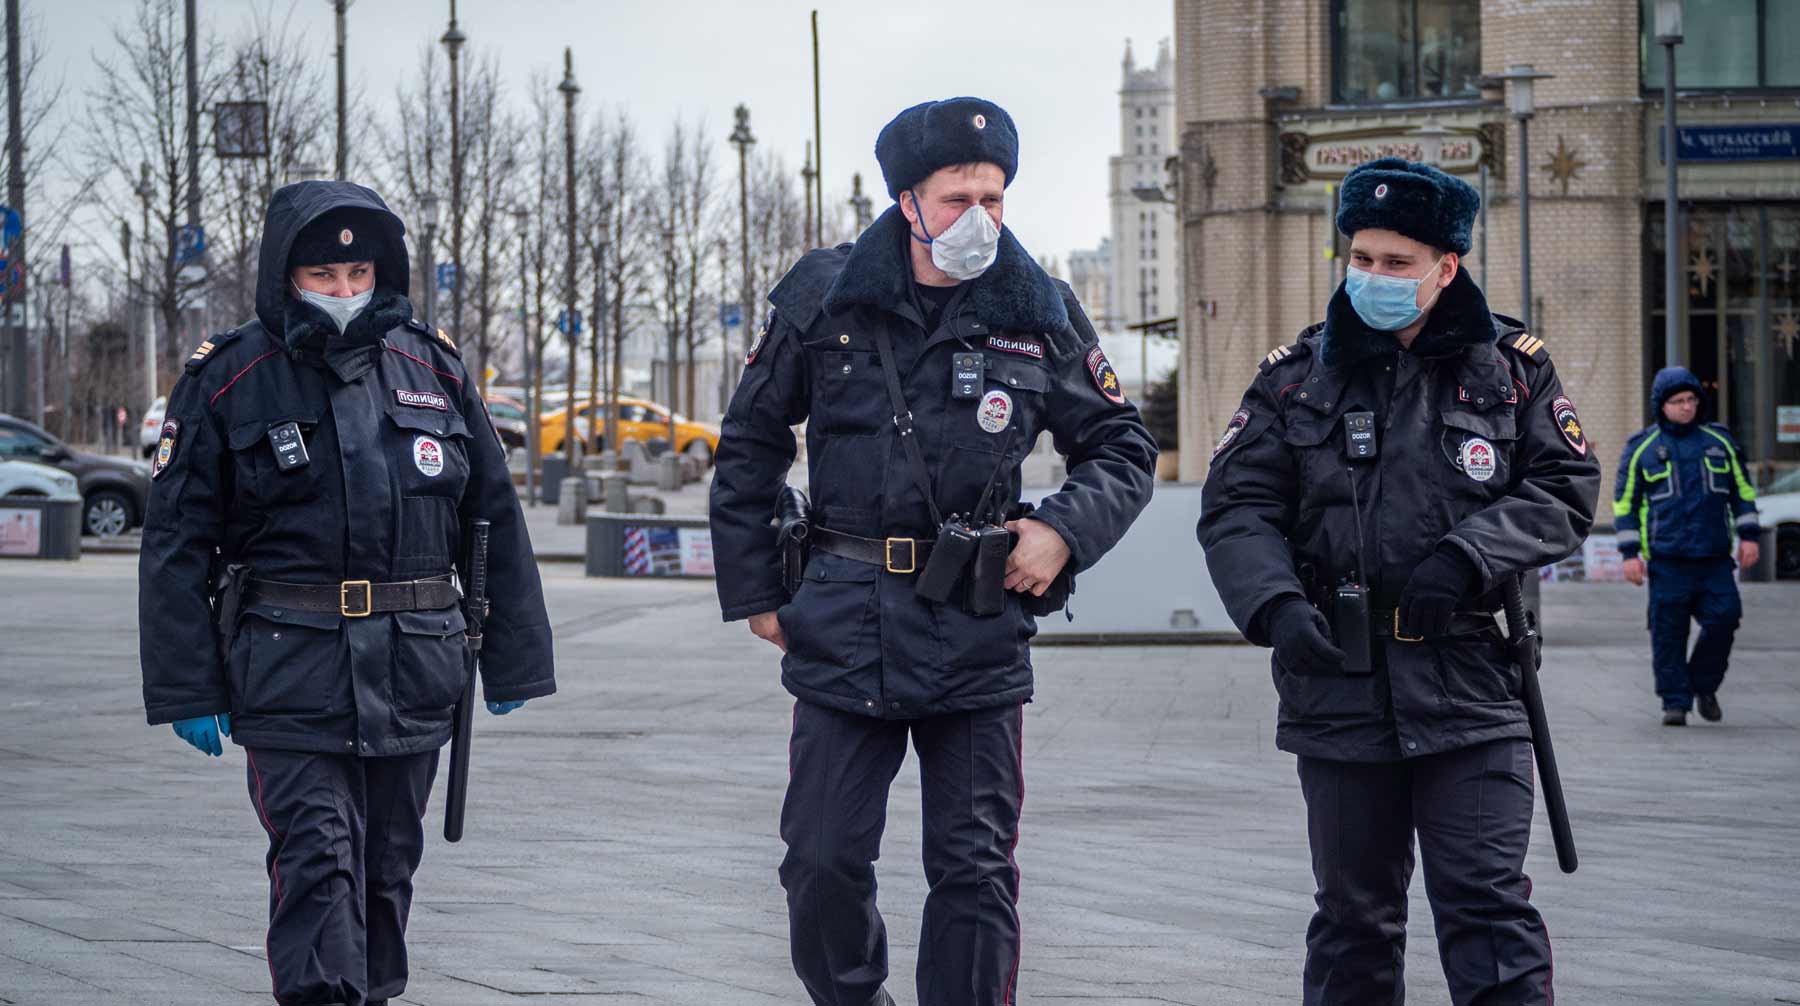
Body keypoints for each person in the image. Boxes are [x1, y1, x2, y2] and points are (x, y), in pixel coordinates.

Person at [709, 96, 1156, 1006]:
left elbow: (1121, 446)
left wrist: (1062, 530)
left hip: (977, 624)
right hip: (843, 613)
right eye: (959, 198)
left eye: (996, 198)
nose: (980, 220)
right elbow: (750, 442)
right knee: (822, 860)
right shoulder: (823, 295)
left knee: (975, 871)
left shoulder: (1039, 307)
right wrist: (756, 587)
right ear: (907, 201)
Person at [139, 180, 555, 1006]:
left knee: (386, 870)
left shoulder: (432, 368)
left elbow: (493, 516)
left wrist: (517, 657)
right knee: (319, 860)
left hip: (415, 667)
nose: (342, 293)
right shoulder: (228, 378)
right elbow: (176, 539)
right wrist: (186, 684)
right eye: (323, 276)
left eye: (357, 273)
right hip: (290, 666)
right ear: (285, 275)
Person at [1196, 157, 1599, 1005]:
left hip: (1474, 680)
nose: (1372, 278)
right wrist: (1273, 605)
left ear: (1446, 267)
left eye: (1396, 263)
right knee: (1353, 919)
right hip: (1337, 682)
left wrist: (1468, 556)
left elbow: (1564, 488)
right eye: (1361, 258)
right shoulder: (1294, 377)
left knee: (1487, 908)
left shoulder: (1513, 369)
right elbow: (1237, 509)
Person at [1613, 366, 1760, 725]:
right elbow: (1625, 504)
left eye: (1691, 399)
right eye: (1677, 401)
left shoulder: (1720, 442)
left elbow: (1742, 493)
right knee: (1668, 633)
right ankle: (1675, 702)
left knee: (1725, 619)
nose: (1686, 407)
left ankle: (1702, 684)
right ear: (1661, 405)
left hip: (1714, 559)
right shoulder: (1642, 449)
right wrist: (1630, 555)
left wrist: (1750, 537)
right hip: (1667, 561)